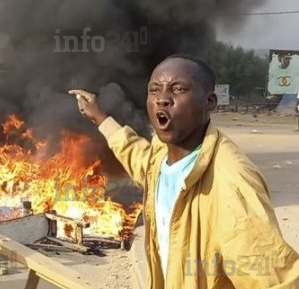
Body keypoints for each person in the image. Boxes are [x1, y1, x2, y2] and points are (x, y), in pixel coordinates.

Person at [69, 54, 299, 289]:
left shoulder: (230, 181)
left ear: (209, 102)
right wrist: (100, 118)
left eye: (178, 89)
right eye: (155, 90)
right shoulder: (161, 156)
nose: (162, 99)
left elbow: (271, 278)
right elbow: (138, 157)